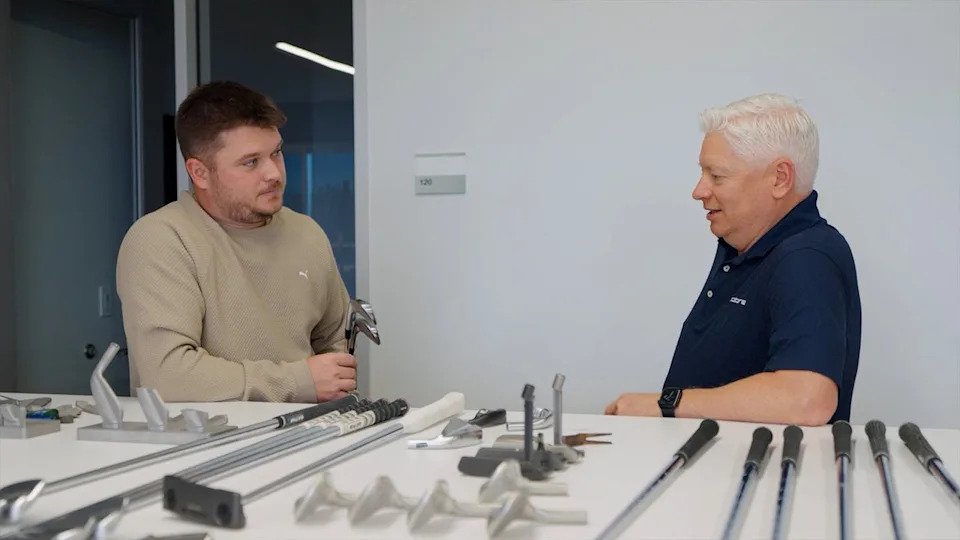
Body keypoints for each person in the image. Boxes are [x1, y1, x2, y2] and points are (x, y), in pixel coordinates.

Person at [605, 94, 861, 425]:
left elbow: (806, 400)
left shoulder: (807, 258)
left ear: (780, 178)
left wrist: (665, 403)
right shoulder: (741, 244)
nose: (699, 191)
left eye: (717, 176)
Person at [116, 81, 356, 402]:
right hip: (207, 434)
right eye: (251, 162)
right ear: (199, 173)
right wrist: (296, 381)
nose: (274, 173)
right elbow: (168, 376)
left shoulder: (307, 233)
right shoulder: (161, 240)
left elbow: (334, 350)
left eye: (276, 153)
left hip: (310, 428)